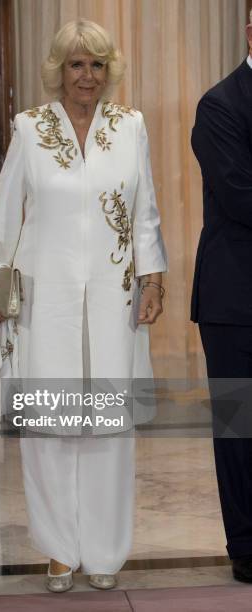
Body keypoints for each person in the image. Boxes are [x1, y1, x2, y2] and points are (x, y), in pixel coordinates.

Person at [0, 19, 167, 592]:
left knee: (109, 427)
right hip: (45, 301)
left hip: (115, 298)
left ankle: (105, 552)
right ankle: (59, 549)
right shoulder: (30, 129)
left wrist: (153, 279)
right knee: (52, 427)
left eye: (98, 64)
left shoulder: (131, 127)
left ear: (110, 72)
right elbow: (3, 214)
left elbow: (145, 211)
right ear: (59, 71)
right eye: (77, 64)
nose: (88, 76)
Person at [191, 12, 252, 583]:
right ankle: (248, 548)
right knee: (240, 428)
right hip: (236, 304)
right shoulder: (220, 105)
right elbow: (239, 196)